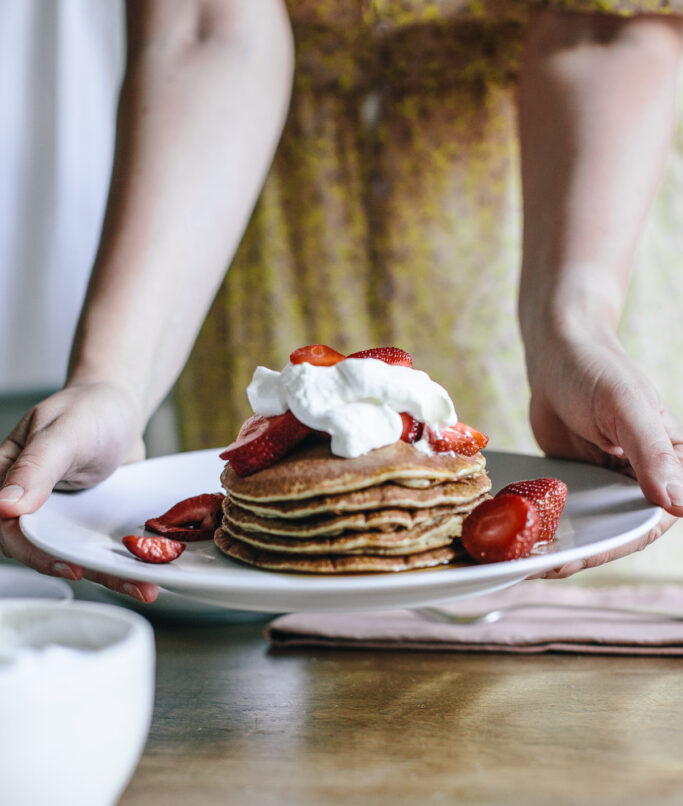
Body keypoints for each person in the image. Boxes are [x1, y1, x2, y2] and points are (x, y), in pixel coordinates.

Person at [1, 0, 683, 604]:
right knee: (275, 638)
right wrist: (115, 377)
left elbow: (605, 26)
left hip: (556, 215)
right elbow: (204, 26)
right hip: (251, 205)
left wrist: (573, 324)